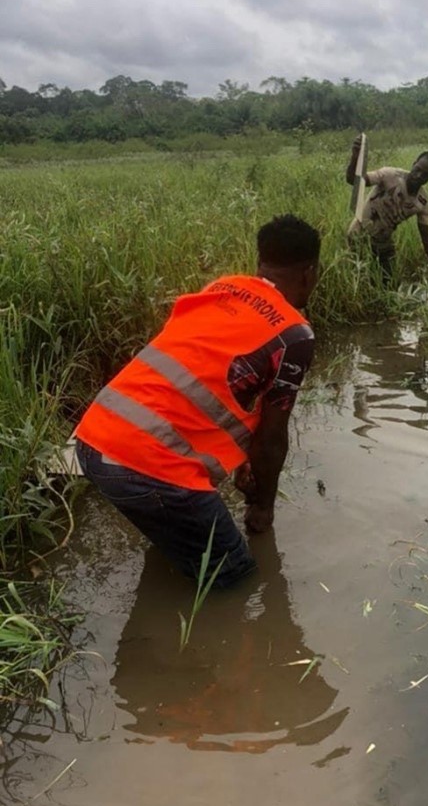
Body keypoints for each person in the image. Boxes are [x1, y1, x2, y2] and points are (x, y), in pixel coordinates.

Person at [74, 213, 321, 589]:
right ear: (309, 273)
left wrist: (243, 462)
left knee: (176, 543)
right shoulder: (295, 335)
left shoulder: (222, 288)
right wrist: (263, 507)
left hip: (92, 442)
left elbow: (205, 383)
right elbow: (272, 437)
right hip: (148, 467)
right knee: (238, 580)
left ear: (259, 263)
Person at [345, 137, 428, 284]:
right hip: (359, 236)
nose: (418, 176)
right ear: (413, 164)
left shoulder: (422, 202)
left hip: (383, 242)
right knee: (360, 282)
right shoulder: (390, 175)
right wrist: (355, 157)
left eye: (425, 174)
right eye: (417, 170)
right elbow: (354, 181)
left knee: (390, 284)